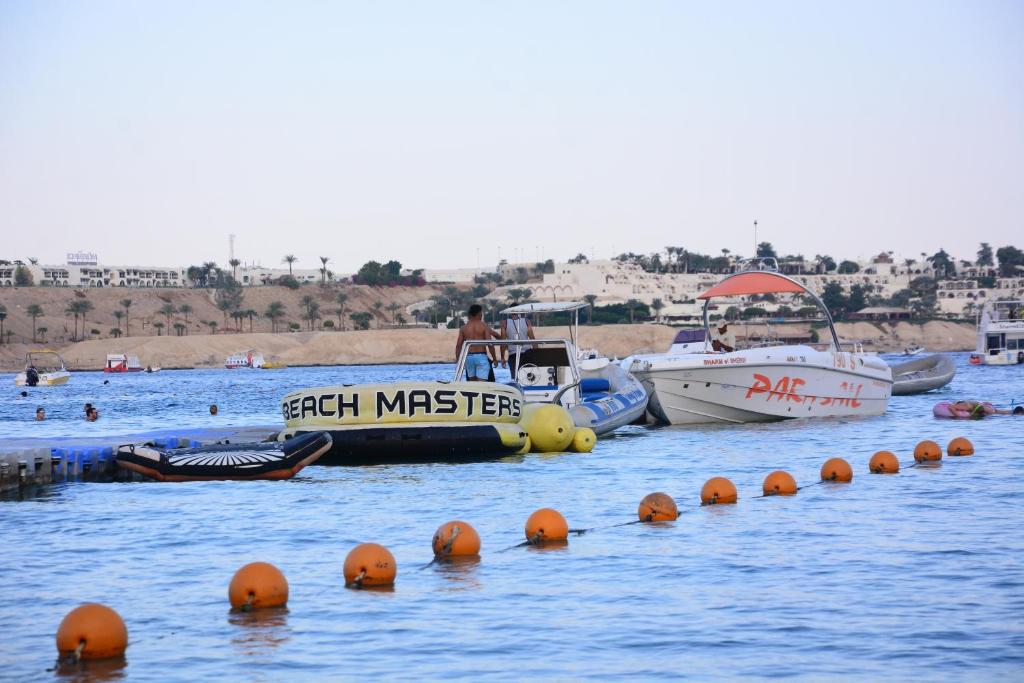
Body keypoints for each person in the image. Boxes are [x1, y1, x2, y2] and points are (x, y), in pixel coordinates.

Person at [456, 304, 497, 381]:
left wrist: (458, 360)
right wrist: (494, 359)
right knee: (481, 384)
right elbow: (490, 343)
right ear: (479, 313)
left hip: (468, 357)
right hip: (481, 356)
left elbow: (458, 345)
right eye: (481, 313)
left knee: (472, 384)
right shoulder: (484, 326)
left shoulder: (463, 328)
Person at [499, 311, 536, 379]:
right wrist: (537, 355)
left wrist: (502, 358)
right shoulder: (527, 321)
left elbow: (503, 343)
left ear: (510, 312)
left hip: (513, 354)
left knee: (515, 377)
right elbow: (533, 339)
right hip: (527, 353)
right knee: (528, 378)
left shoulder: (505, 323)